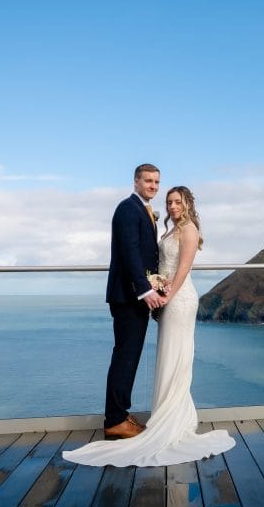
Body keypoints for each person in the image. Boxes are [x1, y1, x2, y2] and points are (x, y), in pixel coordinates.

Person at [63, 186, 235, 466]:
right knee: (167, 356)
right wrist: (156, 289)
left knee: (177, 356)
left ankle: (174, 418)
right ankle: (163, 413)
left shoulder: (189, 229)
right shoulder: (169, 229)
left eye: (178, 202)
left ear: (188, 204)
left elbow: (182, 272)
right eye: (169, 202)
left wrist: (166, 296)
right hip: (166, 299)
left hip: (179, 300)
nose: (172, 206)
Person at [99, 163, 163, 441]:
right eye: (147, 181)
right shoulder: (128, 208)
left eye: (156, 182)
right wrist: (145, 290)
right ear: (136, 182)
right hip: (128, 296)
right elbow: (130, 253)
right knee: (125, 358)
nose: (153, 186)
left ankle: (120, 413)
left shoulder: (144, 211)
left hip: (132, 295)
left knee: (129, 357)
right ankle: (114, 420)